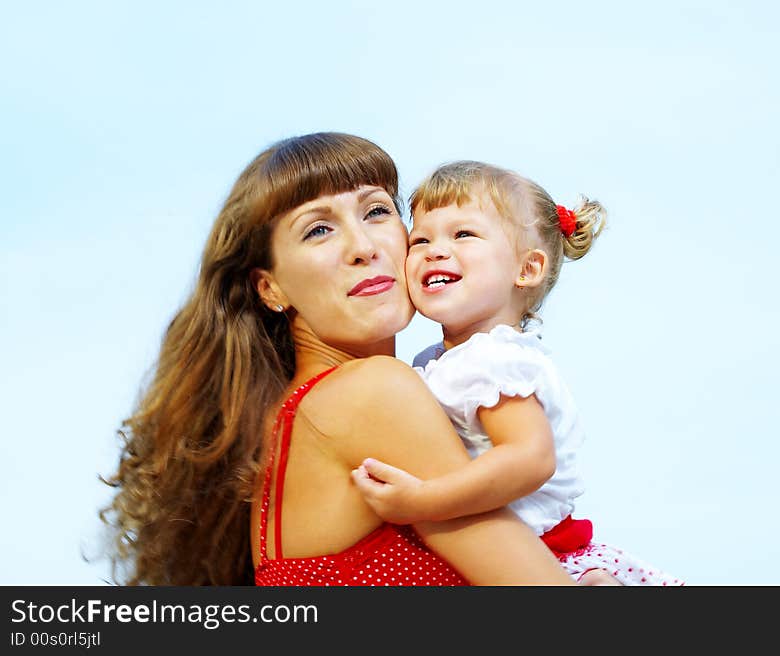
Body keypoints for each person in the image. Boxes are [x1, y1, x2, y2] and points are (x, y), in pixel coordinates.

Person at [99, 133, 580, 586]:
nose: (364, 247)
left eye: (376, 210)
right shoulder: (372, 392)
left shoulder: (296, 414)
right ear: (271, 287)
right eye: (319, 229)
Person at [351, 160, 684, 586]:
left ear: (526, 269)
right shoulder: (442, 359)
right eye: (420, 239)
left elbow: (531, 458)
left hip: (542, 555)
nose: (435, 249)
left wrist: (422, 501)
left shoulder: (492, 360)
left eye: (463, 234)